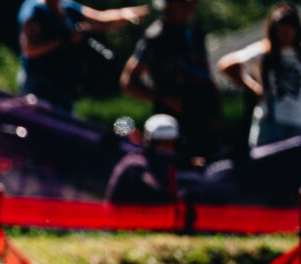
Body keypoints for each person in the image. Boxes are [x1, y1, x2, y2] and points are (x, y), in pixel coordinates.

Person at [120, 0, 221, 162]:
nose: (192, 6)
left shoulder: (195, 34)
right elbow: (128, 82)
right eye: (185, 3)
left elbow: (206, 75)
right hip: (172, 125)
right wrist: (163, 98)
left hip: (203, 119)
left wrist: (215, 111)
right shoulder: (156, 37)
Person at [17, 0, 149, 113]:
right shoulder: (35, 10)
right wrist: (65, 39)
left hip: (66, 86)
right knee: (37, 126)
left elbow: (100, 21)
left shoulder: (68, 7)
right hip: (40, 84)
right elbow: (30, 49)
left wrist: (125, 14)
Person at [217, 2, 301, 149]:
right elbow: (226, 64)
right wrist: (254, 87)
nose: (286, 33)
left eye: (289, 28)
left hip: (297, 122)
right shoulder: (264, 52)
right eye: (282, 28)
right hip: (272, 123)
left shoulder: (298, 54)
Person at [105, 113, 181, 202]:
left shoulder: (167, 165)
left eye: (169, 143)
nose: (166, 149)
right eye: (160, 143)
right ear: (150, 143)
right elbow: (154, 188)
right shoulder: (135, 163)